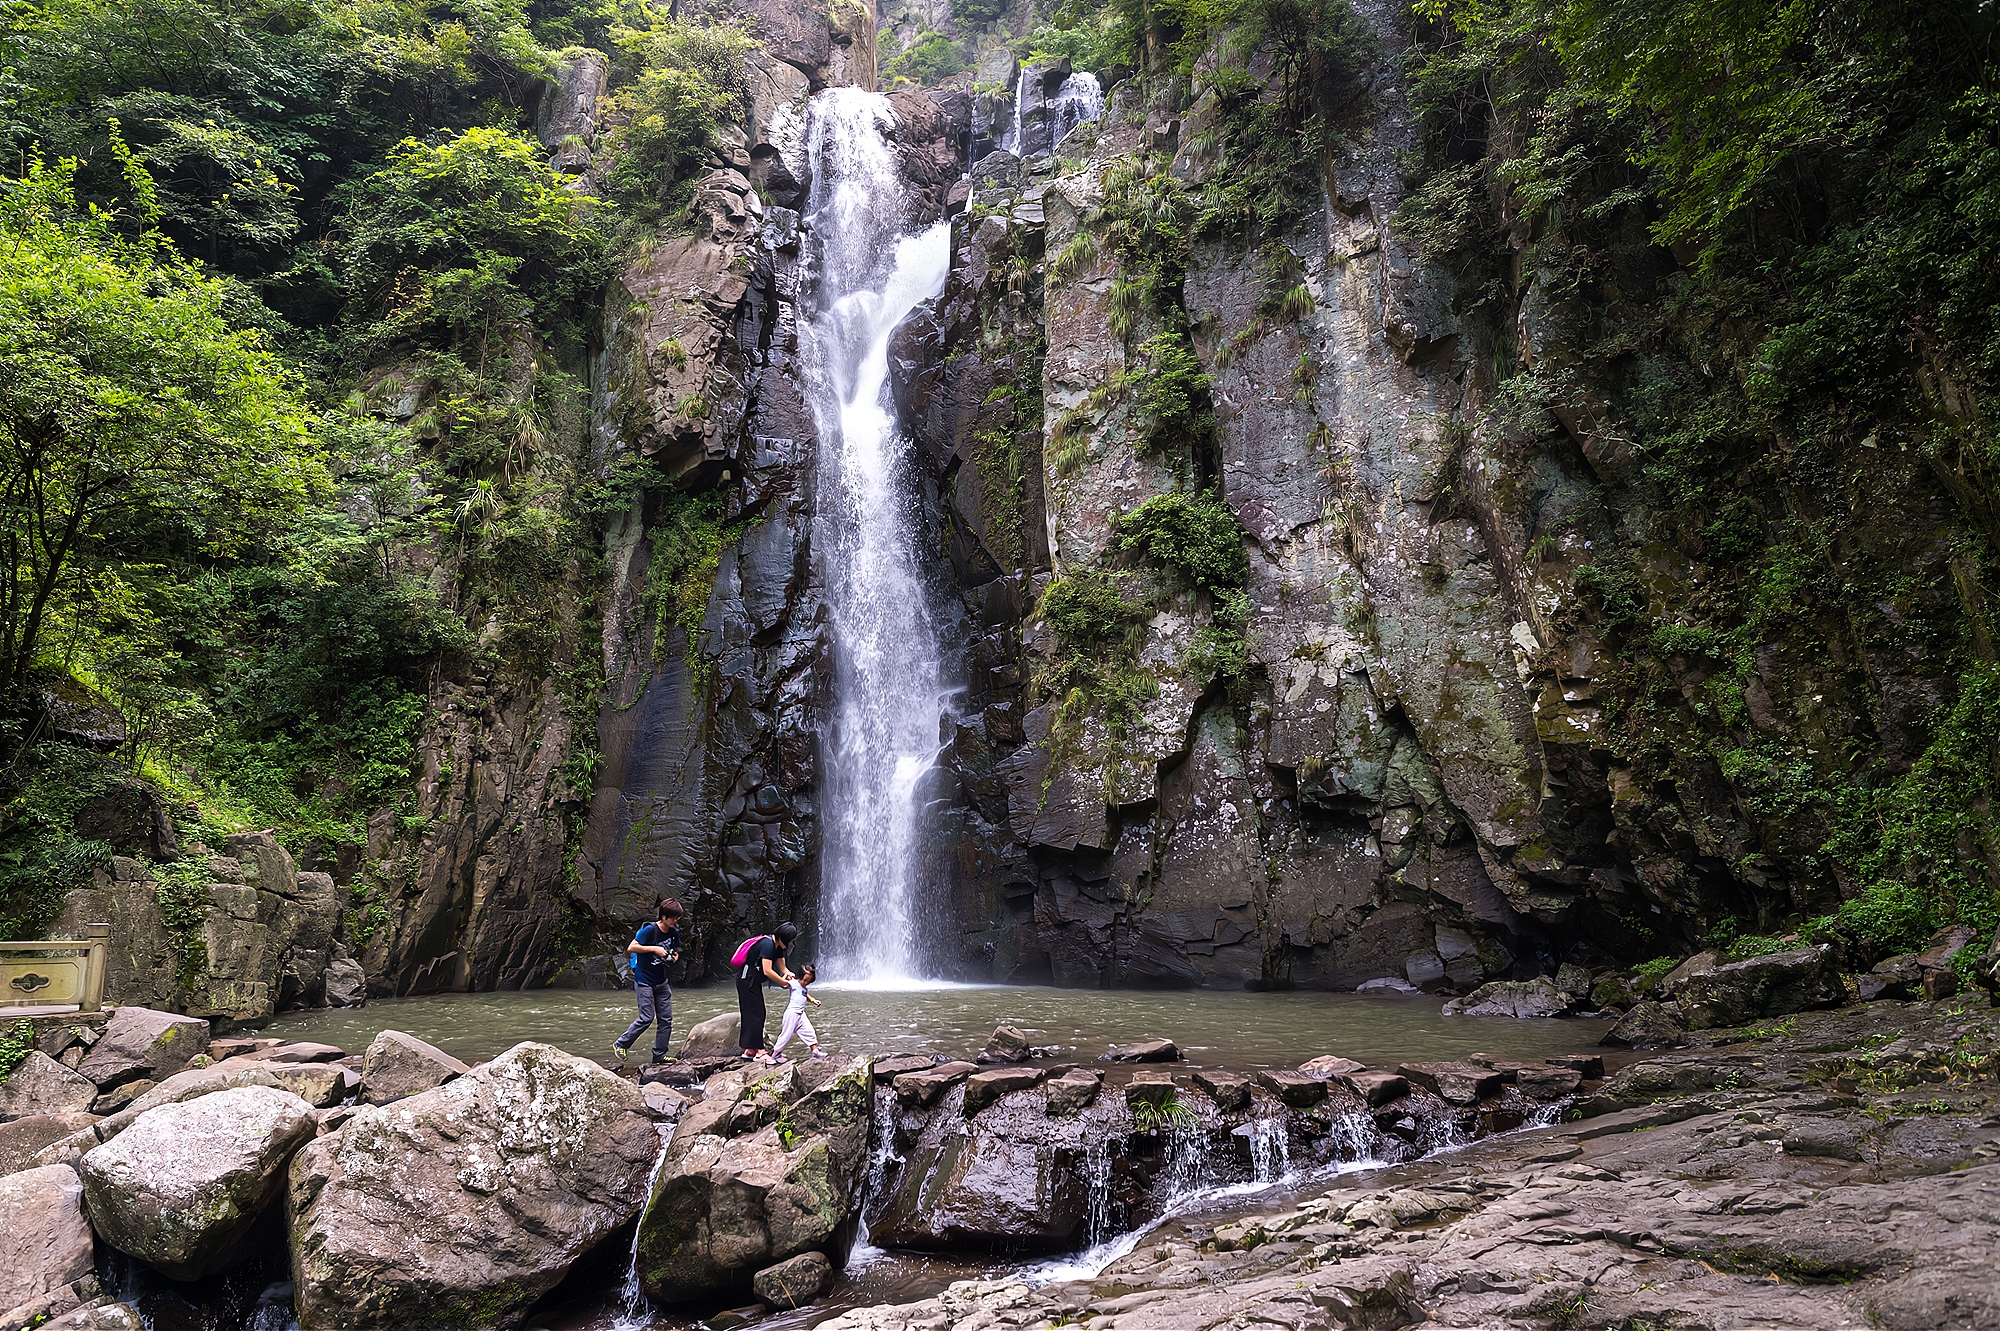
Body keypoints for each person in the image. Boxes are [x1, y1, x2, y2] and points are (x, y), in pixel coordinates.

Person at [612, 897, 682, 1069]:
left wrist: (672, 957)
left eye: (677, 918)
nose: (676, 920)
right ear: (664, 916)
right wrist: (654, 949)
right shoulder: (649, 930)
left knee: (666, 1020)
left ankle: (659, 1055)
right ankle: (621, 1044)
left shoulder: (674, 931)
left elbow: (677, 951)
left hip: (661, 981)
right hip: (644, 981)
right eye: (673, 917)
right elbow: (631, 947)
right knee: (647, 1017)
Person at [737, 921, 798, 1064]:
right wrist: (783, 983)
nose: (791, 944)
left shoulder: (777, 946)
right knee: (756, 1013)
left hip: (752, 981)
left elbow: (783, 968)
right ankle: (759, 1051)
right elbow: (767, 970)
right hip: (746, 980)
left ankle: (749, 1050)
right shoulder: (768, 945)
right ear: (784, 938)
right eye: (791, 940)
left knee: (755, 1013)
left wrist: (789, 976)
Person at [770, 962, 826, 1062]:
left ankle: (815, 1051)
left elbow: (805, 994)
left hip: (800, 1014)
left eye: (809, 981)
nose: (806, 983)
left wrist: (813, 1000)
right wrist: (786, 976)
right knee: (786, 1035)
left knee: (809, 1031)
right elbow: (783, 984)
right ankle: (776, 1054)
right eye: (805, 980)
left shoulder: (804, 987)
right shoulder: (793, 983)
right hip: (792, 1013)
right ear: (800, 976)